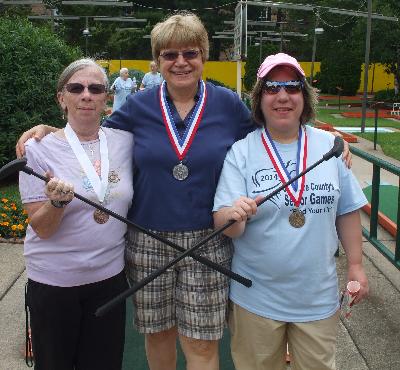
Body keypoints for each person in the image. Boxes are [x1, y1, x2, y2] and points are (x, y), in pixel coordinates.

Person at [15, 16, 352, 370]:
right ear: (157, 61)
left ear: (203, 56)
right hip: (147, 239)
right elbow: (90, 134)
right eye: (169, 54)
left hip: (210, 237)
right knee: (159, 338)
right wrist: (51, 129)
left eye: (190, 52)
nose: (180, 62)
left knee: (202, 346)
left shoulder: (226, 104)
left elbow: (277, 127)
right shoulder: (140, 105)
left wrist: (327, 142)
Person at [213, 53, 369, 370]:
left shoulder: (331, 146)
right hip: (255, 300)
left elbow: (348, 211)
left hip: (317, 298)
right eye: (272, 87)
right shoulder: (242, 151)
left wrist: (356, 265)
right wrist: (234, 215)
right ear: (259, 99)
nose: (283, 96)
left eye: (292, 86)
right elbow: (225, 224)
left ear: (304, 96)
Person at [19, 58, 133, 370]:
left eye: (96, 88)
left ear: (106, 98)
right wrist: (55, 204)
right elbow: (41, 229)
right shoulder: (37, 150)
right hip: (55, 285)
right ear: (62, 97)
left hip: (109, 280)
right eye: (76, 88)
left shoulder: (124, 141)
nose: (86, 95)